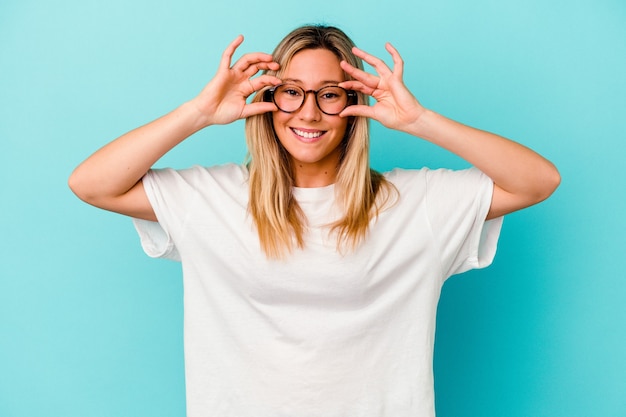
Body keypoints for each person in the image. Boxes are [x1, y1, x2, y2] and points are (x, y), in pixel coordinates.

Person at [69, 25, 560, 417]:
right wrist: (197, 113)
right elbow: (92, 184)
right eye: (291, 92)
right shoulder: (210, 198)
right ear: (269, 99)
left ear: (352, 105)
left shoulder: (416, 203)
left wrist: (419, 121)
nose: (309, 112)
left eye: (329, 94)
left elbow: (537, 180)